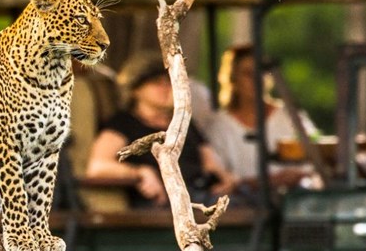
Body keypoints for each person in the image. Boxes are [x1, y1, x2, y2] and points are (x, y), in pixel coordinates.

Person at [86, 52, 235, 208]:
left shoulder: (183, 122)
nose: (166, 88)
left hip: (199, 196)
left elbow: (210, 162)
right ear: (136, 89)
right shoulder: (123, 124)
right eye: (157, 83)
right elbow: (97, 166)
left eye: (169, 82)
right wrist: (140, 172)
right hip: (156, 206)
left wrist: (224, 179)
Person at [204, 44, 316, 191]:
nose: (257, 79)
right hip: (244, 206)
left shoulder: (290, 116)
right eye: (248, 74)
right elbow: (218, 178)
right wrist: (267, 182)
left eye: (262, 72)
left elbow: (316, 158)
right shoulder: (219, 126)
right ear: (233, 79)